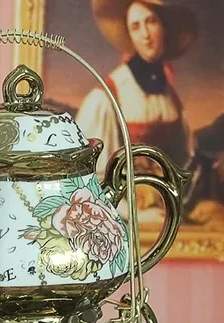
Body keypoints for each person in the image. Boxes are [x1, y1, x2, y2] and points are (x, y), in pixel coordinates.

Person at [76, 0, 198, 221]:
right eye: (135, 26)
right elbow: (91, 181)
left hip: (165, 209)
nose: (145, 35)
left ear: (164, 26)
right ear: (129, 35)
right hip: (123, 214)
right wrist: (136, 215)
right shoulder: (107, 97)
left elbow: (183, 159)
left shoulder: (170, 96)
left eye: (151, 22)